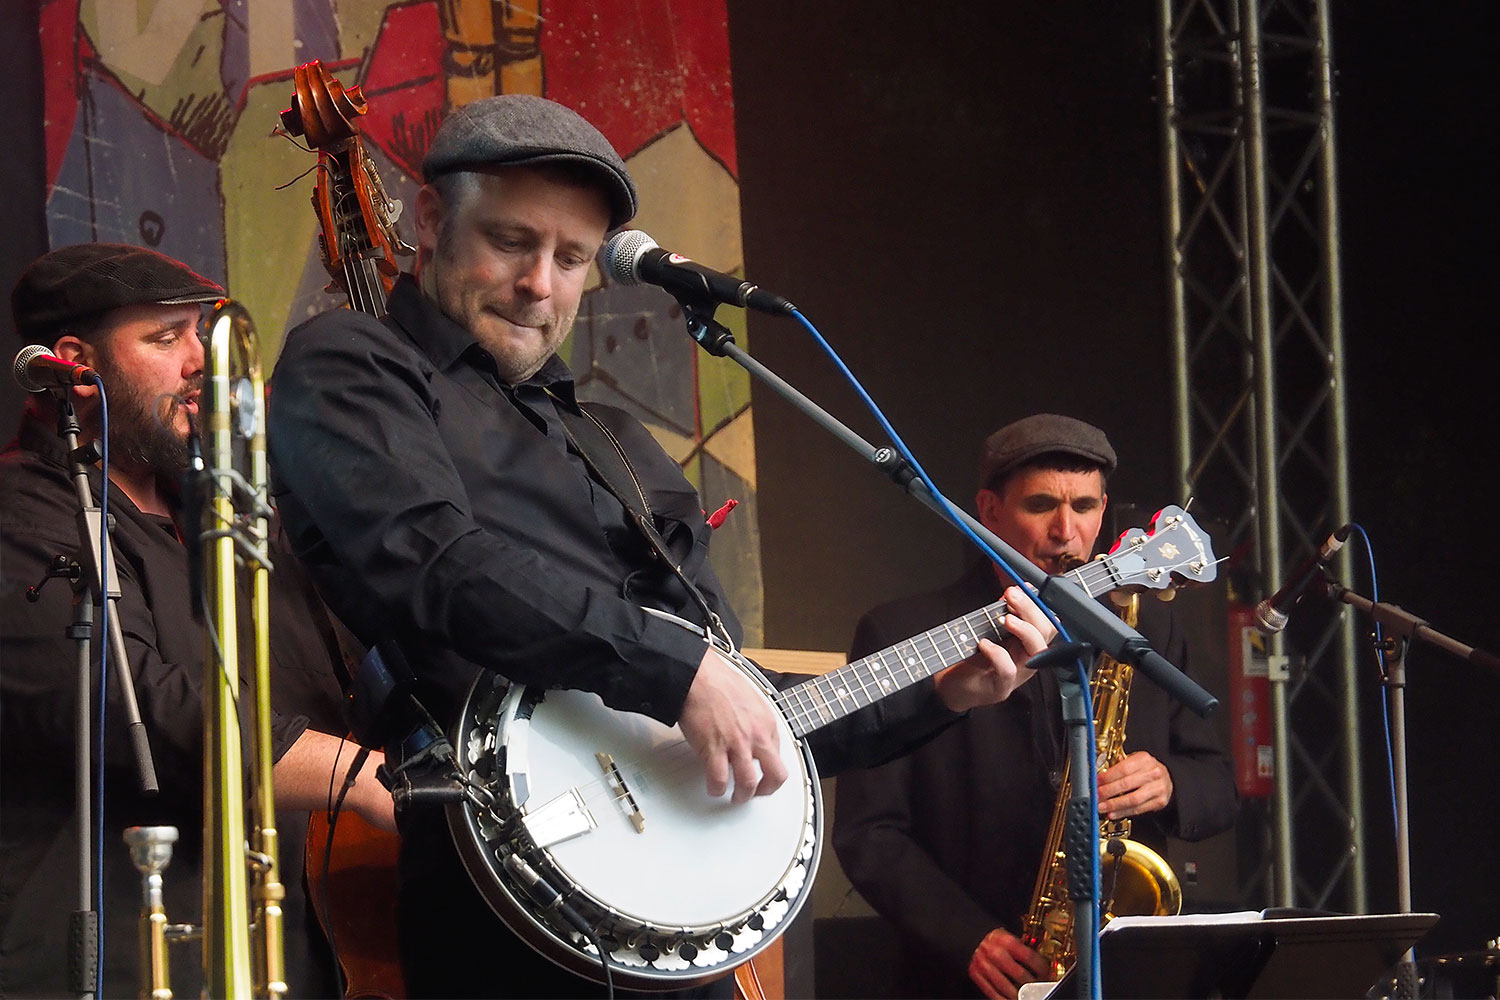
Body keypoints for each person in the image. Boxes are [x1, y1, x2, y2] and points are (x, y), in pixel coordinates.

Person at [264, 94, 1052, 999]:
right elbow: (429, 560)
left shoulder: (616, 444)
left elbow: (734, 711)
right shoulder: (353, 363)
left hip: (674, 925)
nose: (541, 284)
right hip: (506, 898)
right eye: (513, 243)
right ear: (434, 220)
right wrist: (678, 669)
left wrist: (940, 693)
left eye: (572, 259)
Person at [0, 243, 395, 998]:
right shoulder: (25, 513)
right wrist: (362, 778)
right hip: (114, 960)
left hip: (289, 950)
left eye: (198, 334)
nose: (198, 363)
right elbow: (130, 703)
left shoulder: (227, 516)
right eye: (163, 338)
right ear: (76, 365)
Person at [831, 413, 1240, 1000]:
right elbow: (870, 833)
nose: (1065, 532)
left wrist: (1170, 782)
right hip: (965, 976)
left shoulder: (1152, 626)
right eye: (1042, 504)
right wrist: (968, 936)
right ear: (989, 510)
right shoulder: (902, 630)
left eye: (1085, 507)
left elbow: (1218, 783)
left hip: (1120, 967)